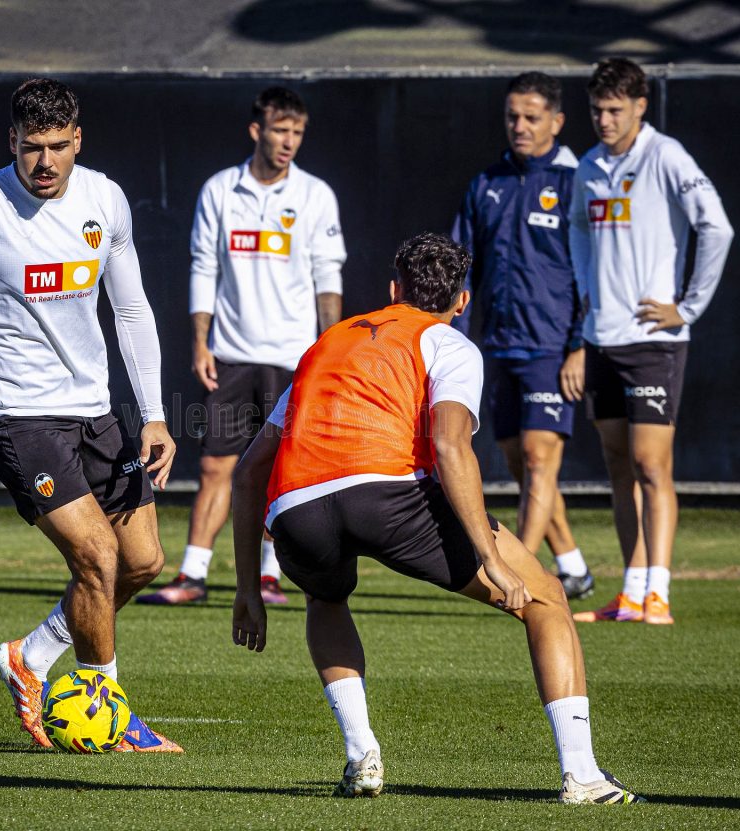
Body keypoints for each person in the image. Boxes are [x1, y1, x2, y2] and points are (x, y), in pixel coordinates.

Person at [231, 232, 643, 803]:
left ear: (393, 289)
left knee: (325, 599)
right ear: (462, 301)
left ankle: (362, 758)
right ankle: (584, 777)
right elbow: (451, 449)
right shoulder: (448, 343)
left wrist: (247, 588)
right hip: (387, 495)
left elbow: (250, 470)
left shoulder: (327, 342)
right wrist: (493, 559)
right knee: (546, 598)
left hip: (297, 506)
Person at [0, 78, 182, 752]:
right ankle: (110, 716)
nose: (44, 163)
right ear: (10, 141)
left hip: (96, 410)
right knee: (98, 554)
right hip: (14, 414)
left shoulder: (105, 199)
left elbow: (131, 310)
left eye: (57, 147)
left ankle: (32, 655)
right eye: (31, 148)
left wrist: (156, 415)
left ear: (78, 140)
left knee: (141, 561)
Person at [138, 86, 346, 606]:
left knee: (282, 468)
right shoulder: (219, 190)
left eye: (297, 133)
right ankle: (192, 576)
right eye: (280, 130)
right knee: (215, 466)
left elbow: (328, 277)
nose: (289, 142)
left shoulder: (315, 195)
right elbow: (203, 267)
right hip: (231, 354)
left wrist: (328, 352)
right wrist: (201, 342)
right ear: (257, 131)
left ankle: (271, 577)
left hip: (294, 357)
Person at [569, 58, 733, 625]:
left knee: (650, 464)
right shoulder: (587, 165)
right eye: (597, 109)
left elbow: (717, 226)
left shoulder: (666, 156)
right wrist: (587, 292)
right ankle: (631, 591)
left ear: (641, 106)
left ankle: (658, 591)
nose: (604, 119)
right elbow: (576, 230)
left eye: (615, 109)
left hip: (654, 341)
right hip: (602, 338)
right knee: (617, 467)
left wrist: (686, 307)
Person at [451, 72, 595, 599]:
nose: (520, 126)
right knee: (522, 465)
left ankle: (525, 578)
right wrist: (453, 340)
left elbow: (594, 272)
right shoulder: (486, 183)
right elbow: (461, 271)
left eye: (532, 117)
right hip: (499, 348)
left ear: (556, 121)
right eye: (513, 116)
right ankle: (574, 566)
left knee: (539, 461)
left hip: (553, 349)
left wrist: (580, 344)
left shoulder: (577, 181)